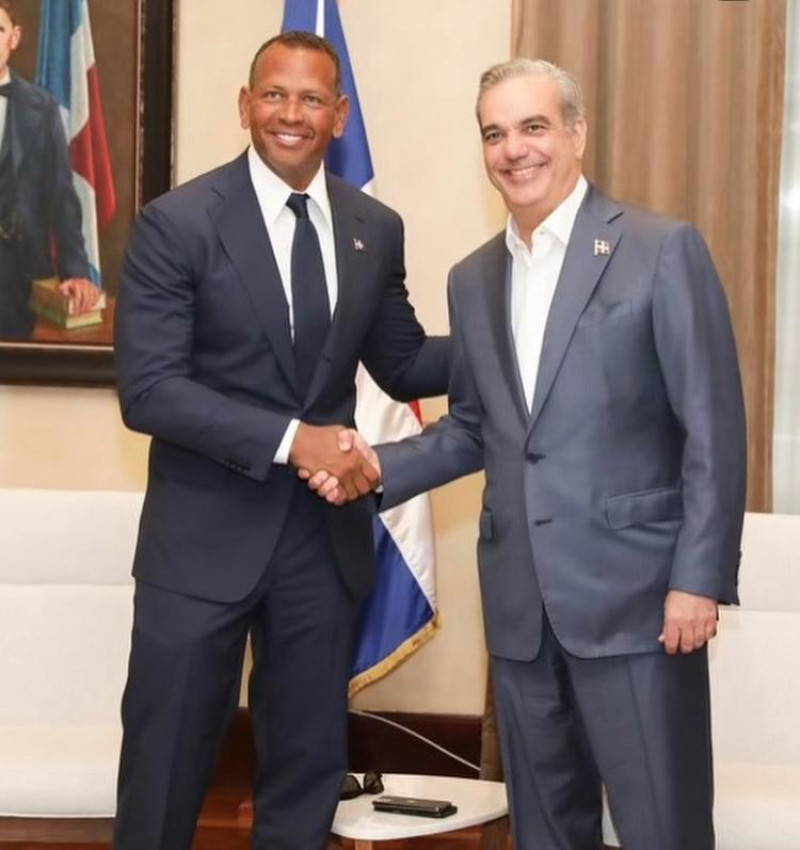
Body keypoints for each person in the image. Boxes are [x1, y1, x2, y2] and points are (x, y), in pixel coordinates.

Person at [315, 58, 746, 850]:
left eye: (534, 127)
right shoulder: (472, 279)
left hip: (640, 608)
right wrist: (376, 465)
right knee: (545, 832)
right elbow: (477, 428)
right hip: (519, 613)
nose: (514, 150)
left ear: (577, 134)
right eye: (495, 133)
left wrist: (698, 579)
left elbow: (712, 428)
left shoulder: (660, 249)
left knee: (664, 828)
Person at [112, 30, 448, 850]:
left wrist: (511, 329)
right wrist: (296, 438)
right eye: (274, 94)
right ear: (244, 105)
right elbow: (150, 390)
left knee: (304, 779)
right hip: (201, 543)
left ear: (339, 116)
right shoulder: (177, 223)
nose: (290, 114)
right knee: (164, 774)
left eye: (310, 100)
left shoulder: (375, 225)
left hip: (320, 549)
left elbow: (401, 362)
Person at [0, 0, 99, 339]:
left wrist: (74, 269)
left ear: (15, 37)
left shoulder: (41, 108)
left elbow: (61, 195)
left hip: (21, 273)